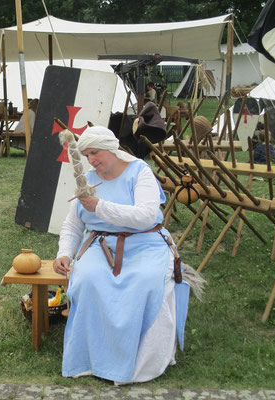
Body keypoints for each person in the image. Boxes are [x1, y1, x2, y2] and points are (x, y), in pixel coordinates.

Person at [53, 126, 192, 384]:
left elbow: (146, 216)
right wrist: (64, 252)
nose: (91, 160)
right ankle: (93, 359)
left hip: (145, 244)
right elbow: (73, 224)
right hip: (100, 244)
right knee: (87, 280)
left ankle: (140, 363)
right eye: (86, 155)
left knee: (146, 281)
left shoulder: (140, 173)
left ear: (111, 148)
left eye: (95, 153)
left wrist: (101, 207)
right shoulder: (89, 180)